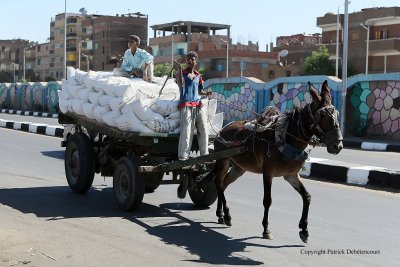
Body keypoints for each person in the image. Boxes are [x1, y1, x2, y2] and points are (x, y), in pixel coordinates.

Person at [173, 51, 211, 160]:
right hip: (186, 104)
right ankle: (183, 156)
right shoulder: (182, 74)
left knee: (203, 129)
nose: (190, 61)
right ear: (185, 61)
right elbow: (180, 84)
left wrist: (206, 93)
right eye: (188, 59)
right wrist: (179, 69)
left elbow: (200, 91)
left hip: (198, 104)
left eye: (192, 59)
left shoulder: (198, 76)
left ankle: (205, 155)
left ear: (196, 61)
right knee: (187, 130)